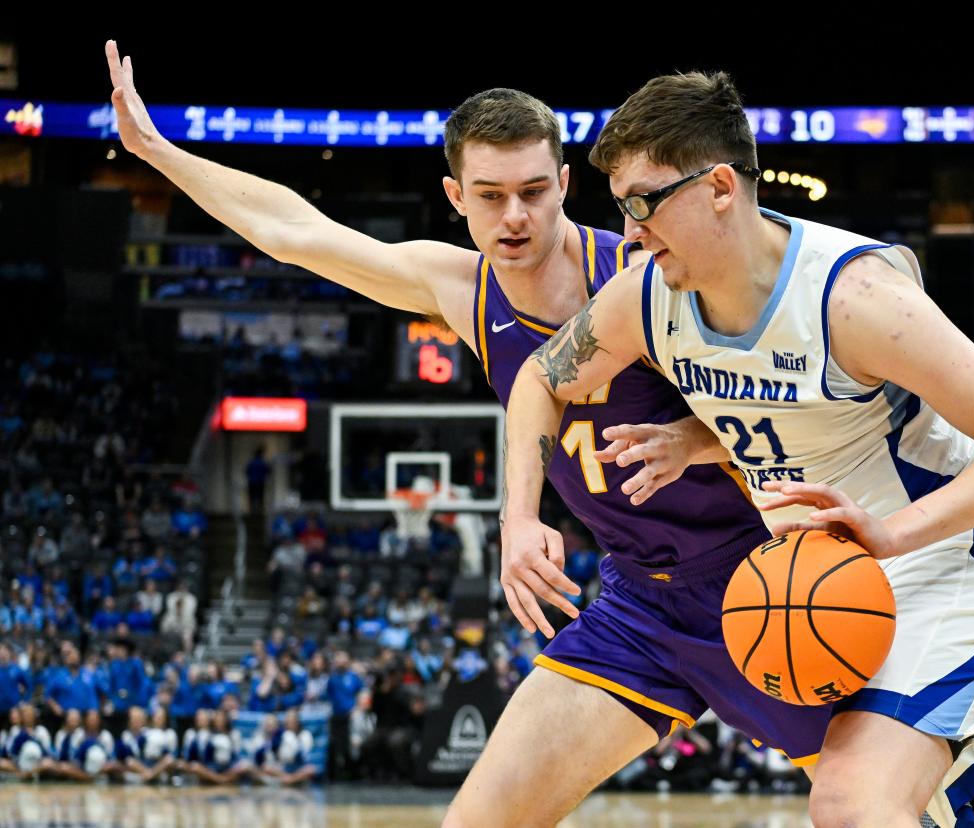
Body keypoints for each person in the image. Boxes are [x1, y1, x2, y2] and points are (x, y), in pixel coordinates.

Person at [106, 41, 833, 827]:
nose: (514, 216)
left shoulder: (645, 273)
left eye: (531, 191)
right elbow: (293, 229)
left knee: (908, 802)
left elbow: (798, 417)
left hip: (764, 581)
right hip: (638, 604)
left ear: (564, 183)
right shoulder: (461, 290)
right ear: (456, 196)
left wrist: (694, 436)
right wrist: (155, 150)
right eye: (490, 196)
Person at [502, 71, 974, 827]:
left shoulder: (853, 300)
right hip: (835, 570)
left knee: (852, 798)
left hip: (948, 560)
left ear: (716, 188)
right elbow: (541, 379)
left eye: (644, 202)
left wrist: (892, 535)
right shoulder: (648, 296)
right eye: (621, 208)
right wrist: (521, 515)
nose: (631, 231)